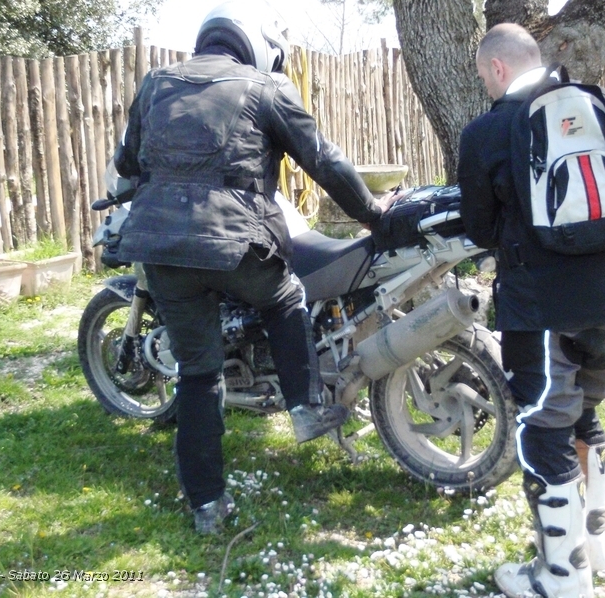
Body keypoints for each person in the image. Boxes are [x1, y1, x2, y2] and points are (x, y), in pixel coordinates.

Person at [113, 0, 397, 535]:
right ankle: (304, 409)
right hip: (237, 244)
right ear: (255, 48)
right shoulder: (265, 88)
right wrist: (371, 213)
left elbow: (129, 161)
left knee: (198, 377)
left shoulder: (154, 83)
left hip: (163, 251)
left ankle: (207, 508)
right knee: (285, 297)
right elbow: (324, 159)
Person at [457, 23, 605, 598]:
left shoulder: (488, 131)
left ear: (496, 69)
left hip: (544, 305)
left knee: (543, 426)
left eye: (482, 76)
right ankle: (591, 544)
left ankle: (562, 578)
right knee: (583, 413)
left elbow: (478, 227)